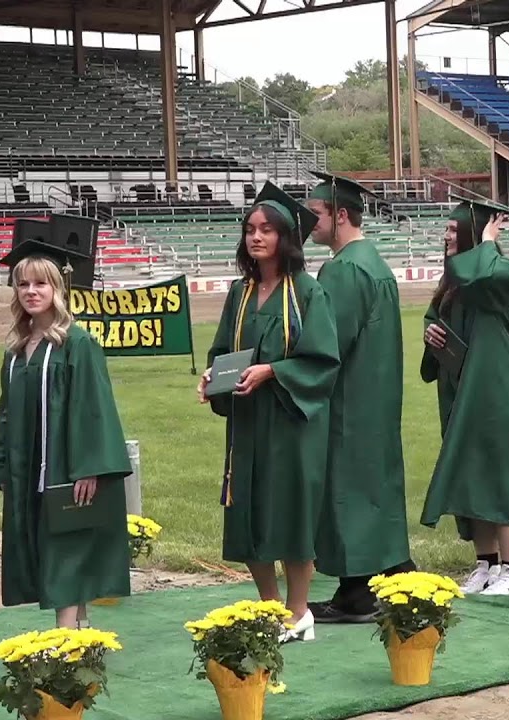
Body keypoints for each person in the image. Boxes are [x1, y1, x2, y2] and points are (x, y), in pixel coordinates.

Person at [199, 182, 342, 642]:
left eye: (266, 230)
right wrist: (211, 378)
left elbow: (321, 360)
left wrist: (272, 372)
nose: (255, 237)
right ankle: (270, 609)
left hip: (290, 423)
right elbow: (223, 351)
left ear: (285, 237)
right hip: (247, 422)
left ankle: (299, 613)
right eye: (249, 230)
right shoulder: (239, 293)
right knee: (247, 513)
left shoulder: (306, 292)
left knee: (289, 513)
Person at [0, 235, 132, 629]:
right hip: (28, 465)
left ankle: (66, 634)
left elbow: (94, 408)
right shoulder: (18, 348)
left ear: (58, 288)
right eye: (23, 284)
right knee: (46, 540)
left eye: (41, 283)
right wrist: (4, 467)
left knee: (66, 541)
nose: (31, 291)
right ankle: (80, 627)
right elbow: (8, 414)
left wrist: (89, 466)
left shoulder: (76, 343)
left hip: (66, 461)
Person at [304, 172, 415, 624]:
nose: (307, 222)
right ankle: (394, 572)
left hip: (349, 399)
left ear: (341, 215)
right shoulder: (374, 263)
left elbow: (327, 340)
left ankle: (358, 590)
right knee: (375, 488)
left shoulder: (344, 268)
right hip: (377, 396)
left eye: (315, 215)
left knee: (348, 491)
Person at [420, 199, 509, 596]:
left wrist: (487, 240)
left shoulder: (504, 273)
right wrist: (430, 331)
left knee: (499, 475)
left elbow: (487, 272)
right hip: (459, 387)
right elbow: (437, 314)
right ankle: (488, 563)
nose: (446, 235)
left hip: (495, 389)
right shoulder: (457, 280)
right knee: (470, 478)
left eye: (453, 229)